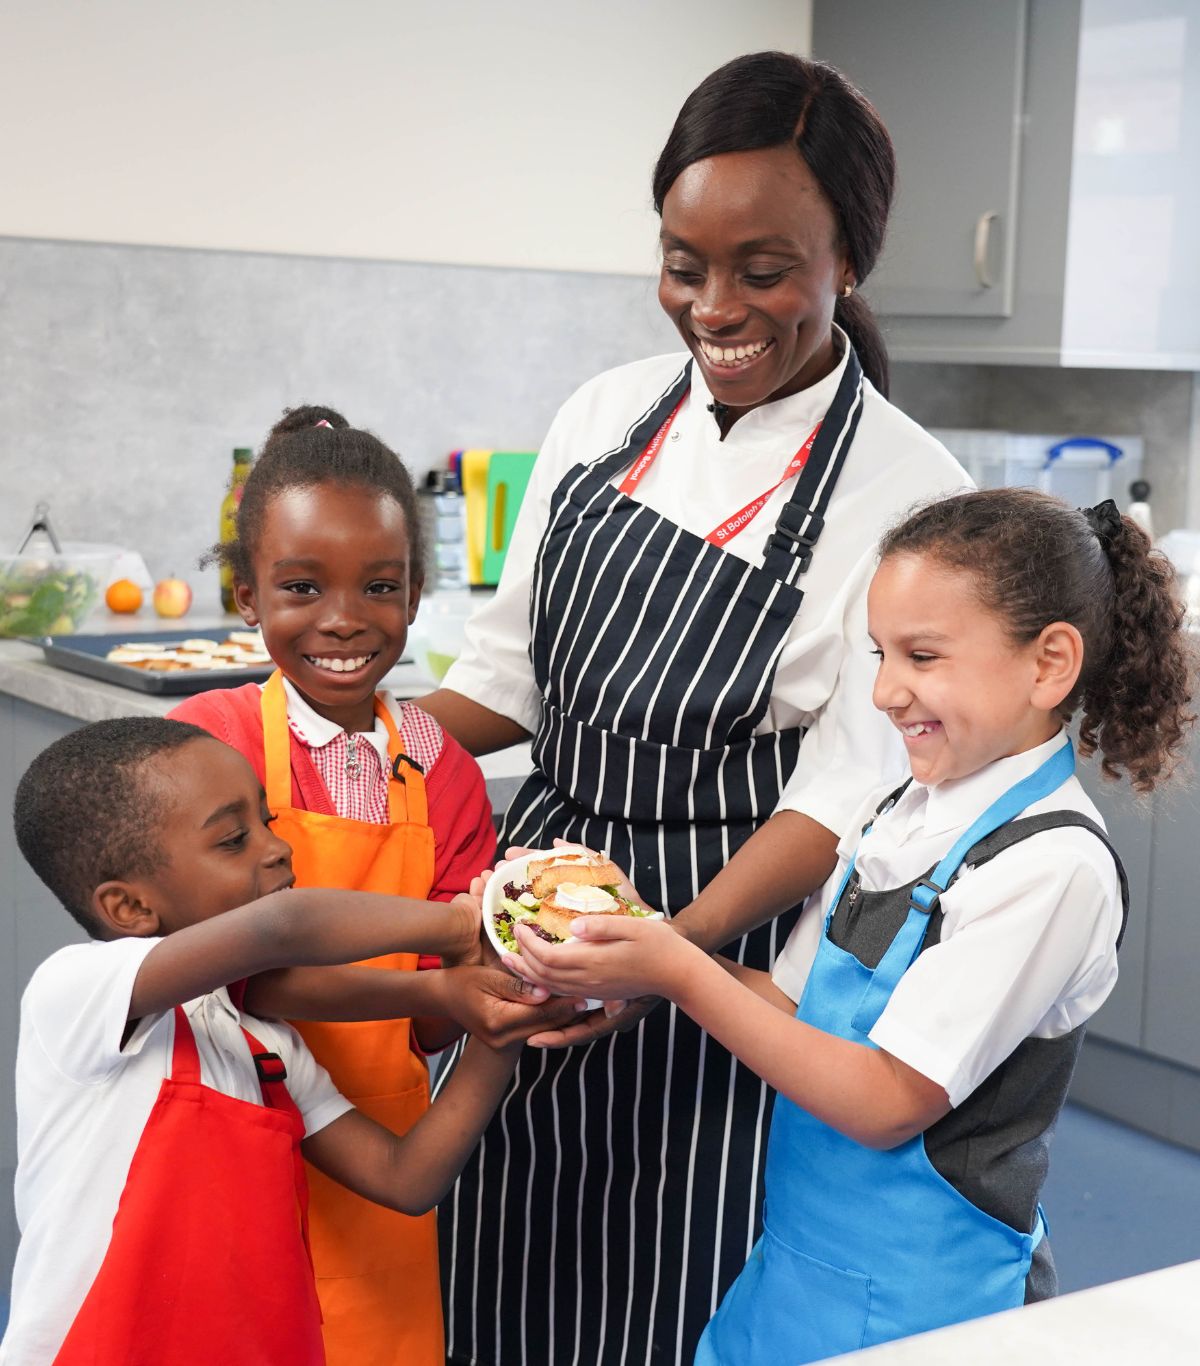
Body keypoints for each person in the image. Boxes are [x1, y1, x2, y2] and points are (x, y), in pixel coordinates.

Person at [420, 49, 971, 1366]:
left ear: (850, 261)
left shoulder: (905, 489)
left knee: (670, 1295)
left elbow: (835, 796)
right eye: (684, 263)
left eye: (763, 269)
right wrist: (321, 751)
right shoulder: (607, 413)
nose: (713, 305)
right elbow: (507, 678)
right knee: (494, 1260)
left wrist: (664, 952)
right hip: (542, 915)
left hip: (732, 953)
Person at [507, 488, 1195, 1363]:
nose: (882, 691)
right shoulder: (895, 814)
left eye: (922, 656)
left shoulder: (1050, 867)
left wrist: (679, 971)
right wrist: (643, 943)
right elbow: (793, 1009)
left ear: (1049, 663)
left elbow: (882, 1103)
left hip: (930, 1304)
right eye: (879, 655)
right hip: (798, 1270)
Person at [167, 405, 576, 1366]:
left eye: (380, 587)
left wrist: (511, 982)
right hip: (216, 1128)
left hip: (377, 1144)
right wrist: (435, 976)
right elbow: (222, 973)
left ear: (417, 593)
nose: (345, 620)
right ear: (245, 595)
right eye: (301, 587)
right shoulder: (205, 745)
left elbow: (435, 1025)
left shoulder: (447, 774)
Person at [1, 717, 533, 1366]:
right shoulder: (78, 992)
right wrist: (464, 926)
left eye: (268, 821)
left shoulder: (264, 1045)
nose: (277, 849)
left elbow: (406, 1178)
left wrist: (501, 1026)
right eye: (232, 840)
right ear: (129, 909)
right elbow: (282, 928)